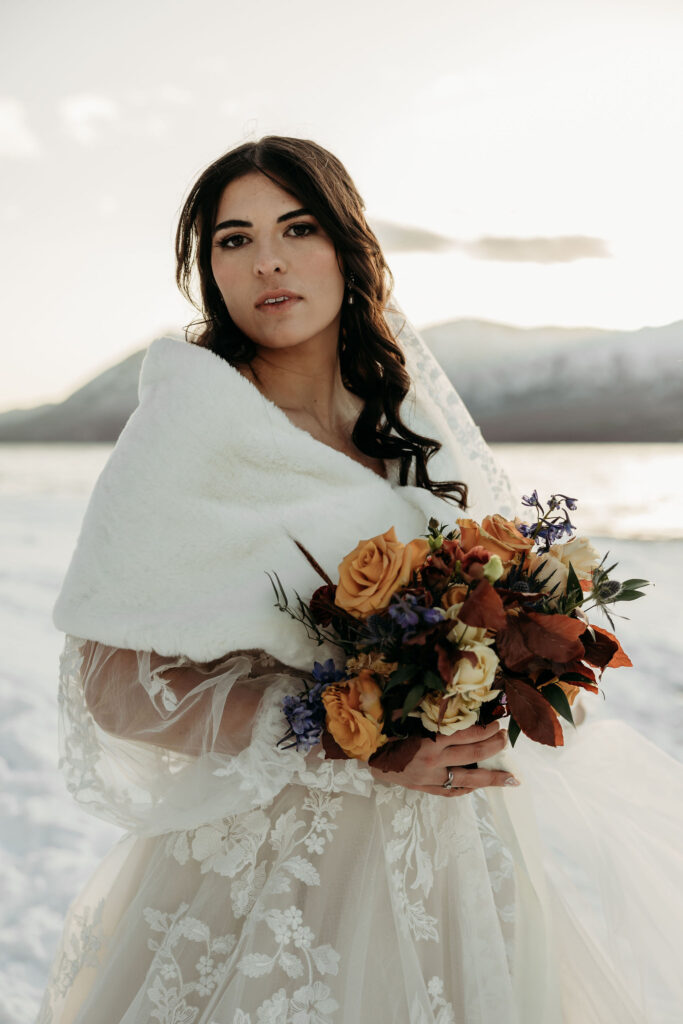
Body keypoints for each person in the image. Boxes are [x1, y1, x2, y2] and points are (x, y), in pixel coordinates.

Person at [36, 137, 682, 1023]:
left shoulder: (405, 421)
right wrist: (353, 743)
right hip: (278, 869)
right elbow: (111, 687)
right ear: (209, 271)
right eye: (233, 239)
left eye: (296, 228)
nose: (267, 260)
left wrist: (496, 664)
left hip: (452, 849)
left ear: (347, 245)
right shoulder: (187, 429)